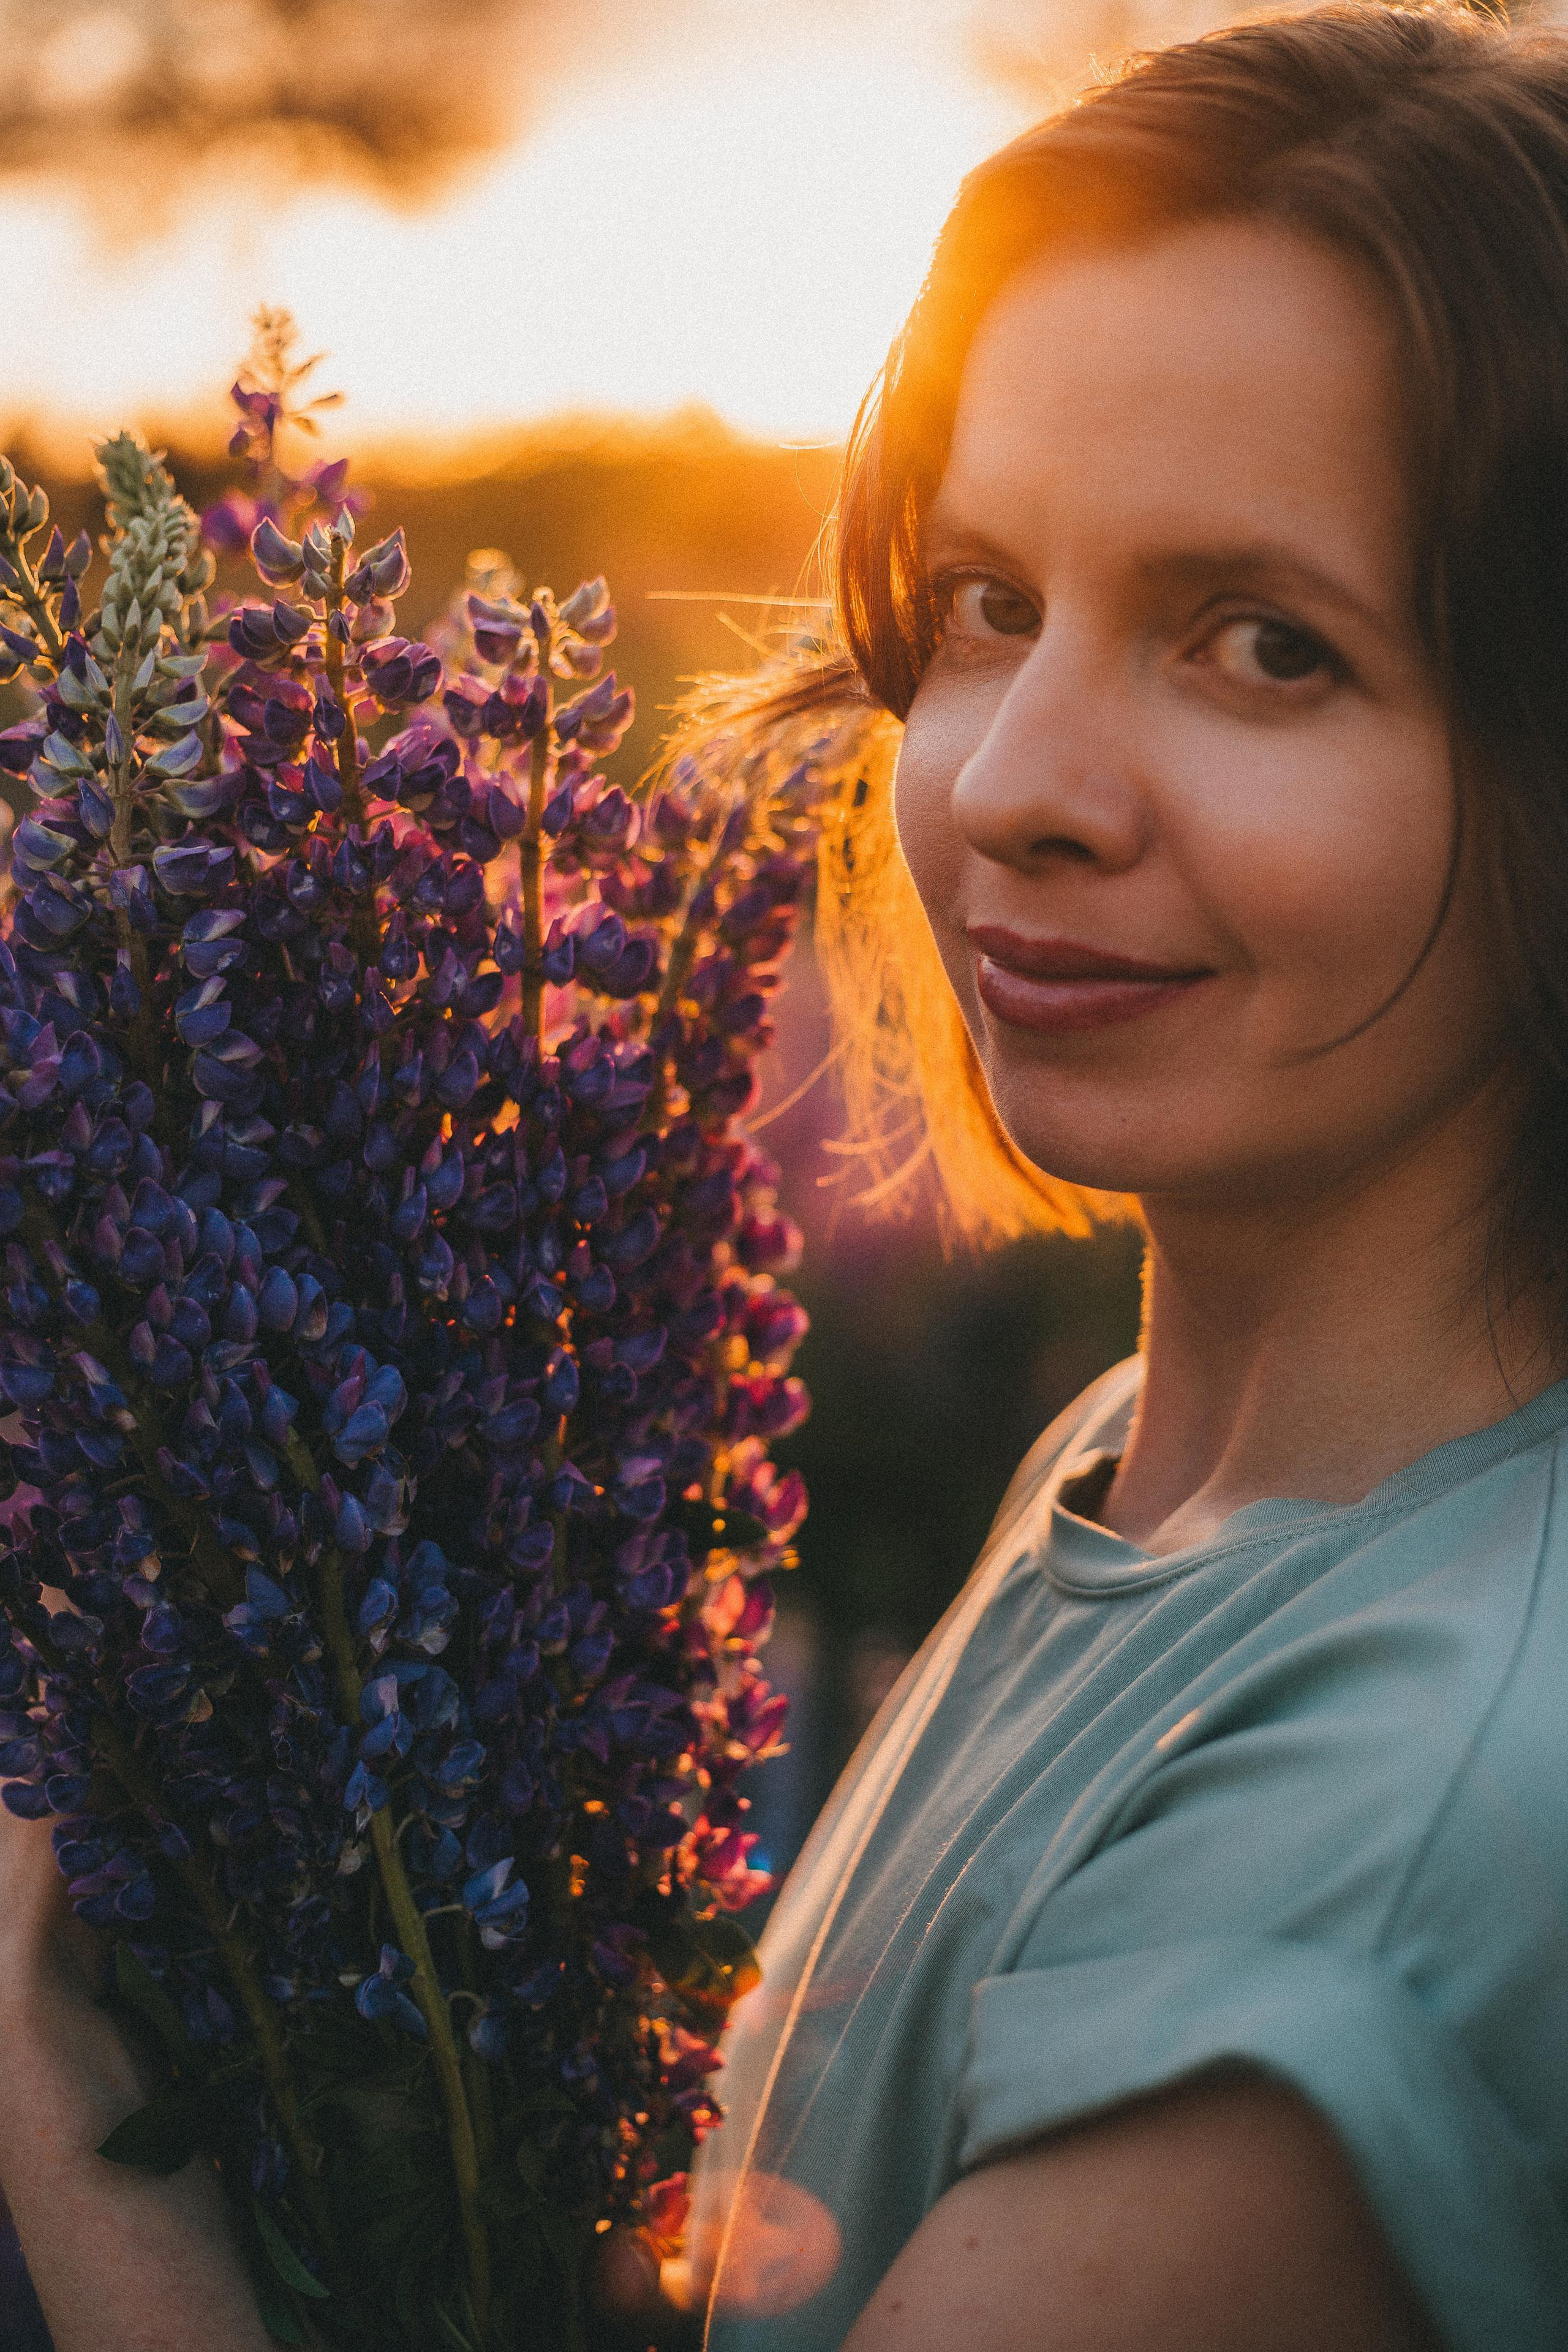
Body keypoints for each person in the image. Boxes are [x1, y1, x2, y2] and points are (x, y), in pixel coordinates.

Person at [2, 3, 1567, 2346]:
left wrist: (73, 2151)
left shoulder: (1383, 1843)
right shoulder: (1164, 1475)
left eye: (1265, 645)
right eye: (983, 602)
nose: (1025, 775)